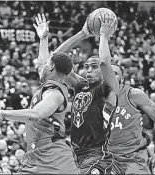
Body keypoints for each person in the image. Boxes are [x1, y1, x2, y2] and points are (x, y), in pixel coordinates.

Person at [0, 14, 79, 174]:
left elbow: (36, 114)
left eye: (47, 64)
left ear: (52, 67)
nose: (41, 65)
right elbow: (42, 62)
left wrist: (0, 113)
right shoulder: (49, 84)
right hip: (36, 156)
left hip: (55, 158)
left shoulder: (54, 93)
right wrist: (43, 39)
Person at [37, 13, 123, 174]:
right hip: (74, 152)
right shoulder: (80, 85)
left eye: (93, 67)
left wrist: (103, 36)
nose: (88, 70)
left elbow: (104, 62)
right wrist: (82, 34)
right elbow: (55, 61)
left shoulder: (108, 89)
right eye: (86, 67)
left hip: (97, 153)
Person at [108, 64, 155, 174]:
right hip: (109, 157)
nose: (110, 75)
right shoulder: (97, 96)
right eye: (108, 72)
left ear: (122, 79)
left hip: (133, 156)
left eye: (115, 73)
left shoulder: (133, 94)